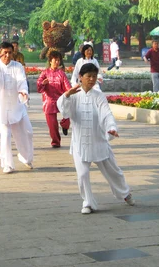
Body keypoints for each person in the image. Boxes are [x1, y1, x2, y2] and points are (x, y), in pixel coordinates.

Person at [57, 63, 135, 214]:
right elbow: (64, 111)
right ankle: (88, 202)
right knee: (82, 174)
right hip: (80, 143)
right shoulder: (73, 95)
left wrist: (111, 128)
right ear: (80, 77)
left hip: (98, 140)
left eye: (94, 76)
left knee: (113, 171)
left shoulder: (99, 96)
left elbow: (106, 114)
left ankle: (124, 193)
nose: (92, 79)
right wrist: (66, 95)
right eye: (88, 76)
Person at [0, 42, 34, 173]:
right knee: (5, 136)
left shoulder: (17, 66)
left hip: (17, 106)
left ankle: (25, 157)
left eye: (9, 53)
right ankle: (7, 164)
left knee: (27, 132)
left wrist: (24, 92)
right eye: (4, 52)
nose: (7, 55)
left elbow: (22, 81)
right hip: (2, 108)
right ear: (0, 52)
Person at [37, 50, 72, 148]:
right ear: (50, 61)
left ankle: (65, 125)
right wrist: (42, 84)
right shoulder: (44, 73)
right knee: (52, 124)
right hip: (49, 100)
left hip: (60, 99)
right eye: (55, 60)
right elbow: (39, 87)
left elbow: (67, 86)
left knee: (68, 111)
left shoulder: (61, 73)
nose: (57, 62)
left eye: (58, 60)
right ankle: (55, 142)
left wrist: (70, 92)